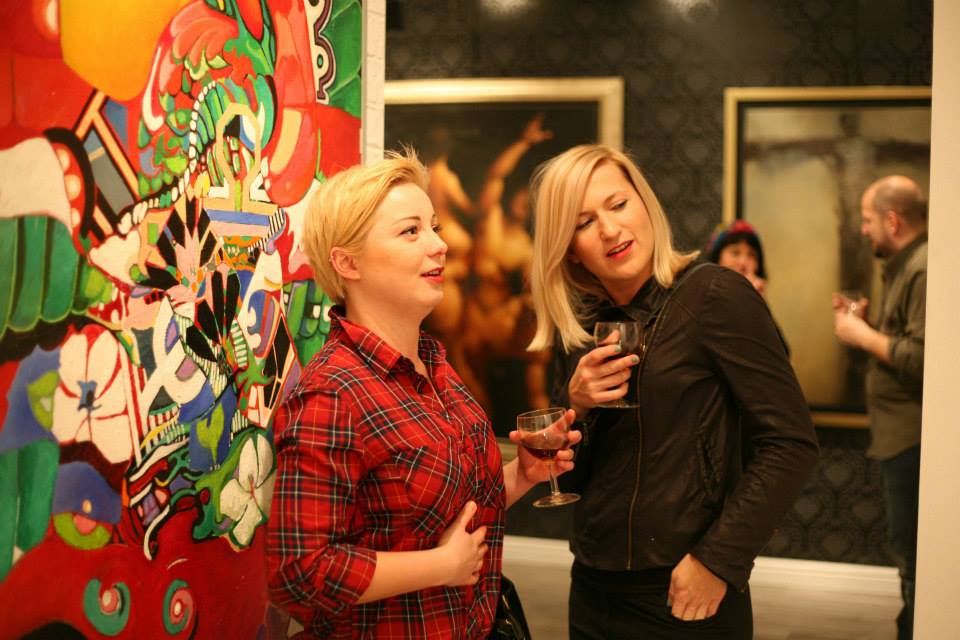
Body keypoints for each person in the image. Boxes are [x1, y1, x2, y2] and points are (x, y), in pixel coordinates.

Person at [265, 151, 581, 639]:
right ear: (347, 262)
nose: (440, 244)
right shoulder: (333, 394)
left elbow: (442, 514)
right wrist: (440, 566)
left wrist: (522, 475)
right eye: (411, 231)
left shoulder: (434, 365)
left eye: (434, 226)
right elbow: (299, 573)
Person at [527, 144, 819, 639]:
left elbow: (791, 443)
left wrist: (718, 560)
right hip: (592, 587)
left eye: (618, 204)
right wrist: (577, 405)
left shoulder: (715, 295)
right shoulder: (581, 328)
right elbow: (570, 474)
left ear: (645, 202)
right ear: (569, 247)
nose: (610, 230)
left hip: (685, 591)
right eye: (584, 223)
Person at [832, 175, 927, 640]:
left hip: (912, 439)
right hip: (901, 437)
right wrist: (870, 326)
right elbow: (906, 340)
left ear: (892, 221)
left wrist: (862, 335)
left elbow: (924, 359)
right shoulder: (906, 266)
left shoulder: (922, 269)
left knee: (913, 558)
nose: (864, 229)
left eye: (868, 220)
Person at [706, 219, 789, 355]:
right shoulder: (704, 299)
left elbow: (782, 355)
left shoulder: (756, 298)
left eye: (751, 255)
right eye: (735, 253)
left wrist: (758, 303)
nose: (743, 262)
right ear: (717, 258)